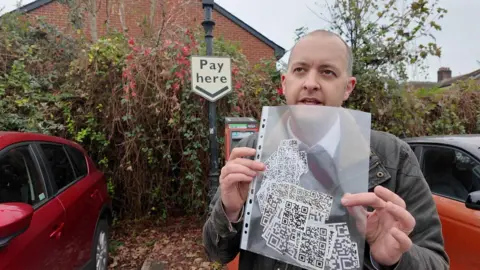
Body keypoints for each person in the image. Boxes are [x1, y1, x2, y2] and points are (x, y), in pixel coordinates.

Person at [202, 29, 449, 270]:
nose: (311, 83)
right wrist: (230, 211)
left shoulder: (394, 157)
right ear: (285, 83)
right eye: (300, 70)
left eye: (327, 72)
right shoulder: (251, 152)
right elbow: (216, 253)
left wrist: (393, 260)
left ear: (348, 87)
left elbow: (435, 261)